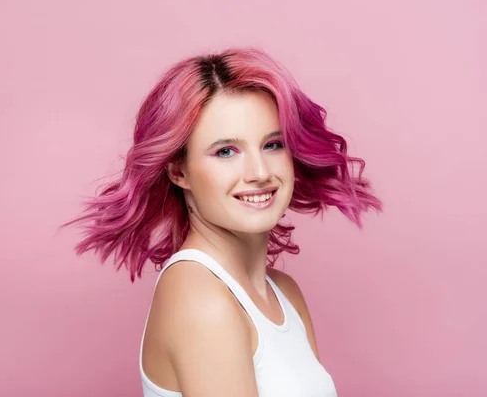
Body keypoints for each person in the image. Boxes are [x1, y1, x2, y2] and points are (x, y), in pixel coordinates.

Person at [63, 47, 382, 396]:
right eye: (226, 151)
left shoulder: (284, 293)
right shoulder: (199, 295)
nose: (259, 173)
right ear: (178, 170)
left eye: (273, 145)